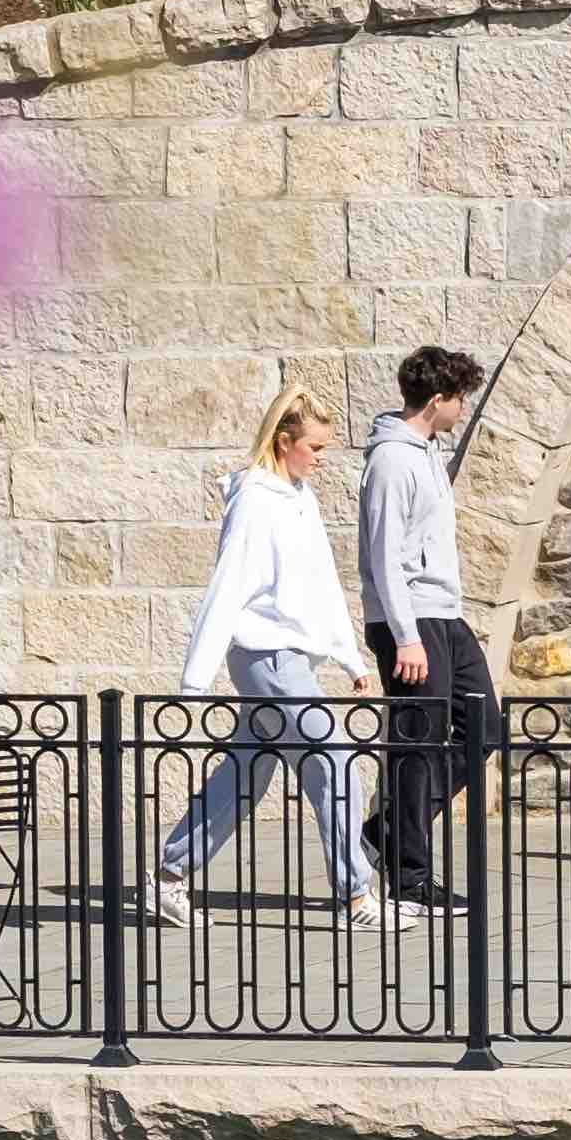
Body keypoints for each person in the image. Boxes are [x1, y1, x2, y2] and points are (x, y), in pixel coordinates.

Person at [153, 387, 396, 927]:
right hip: (267, 658)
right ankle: (357, 897)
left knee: (244, 775)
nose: (321, 458)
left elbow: (321, 586)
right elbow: (229, 584)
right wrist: (195, 680)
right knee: (332, 761)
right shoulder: (257, 499)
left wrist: (349, 658)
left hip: (290, 659)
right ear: (284, 442)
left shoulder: (298, 495)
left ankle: (170, 876)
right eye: (314, 447)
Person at [357, 343, 495, 910]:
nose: (462, 409)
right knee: (418, 743)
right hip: (410, 622)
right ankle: (410, 879)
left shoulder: (427, 451)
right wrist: (406, 636)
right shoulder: (392, 460)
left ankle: (387, 831)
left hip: (444, 615)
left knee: (482, 724)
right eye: (459, 398)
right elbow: (384, 555)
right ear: (436, 400)